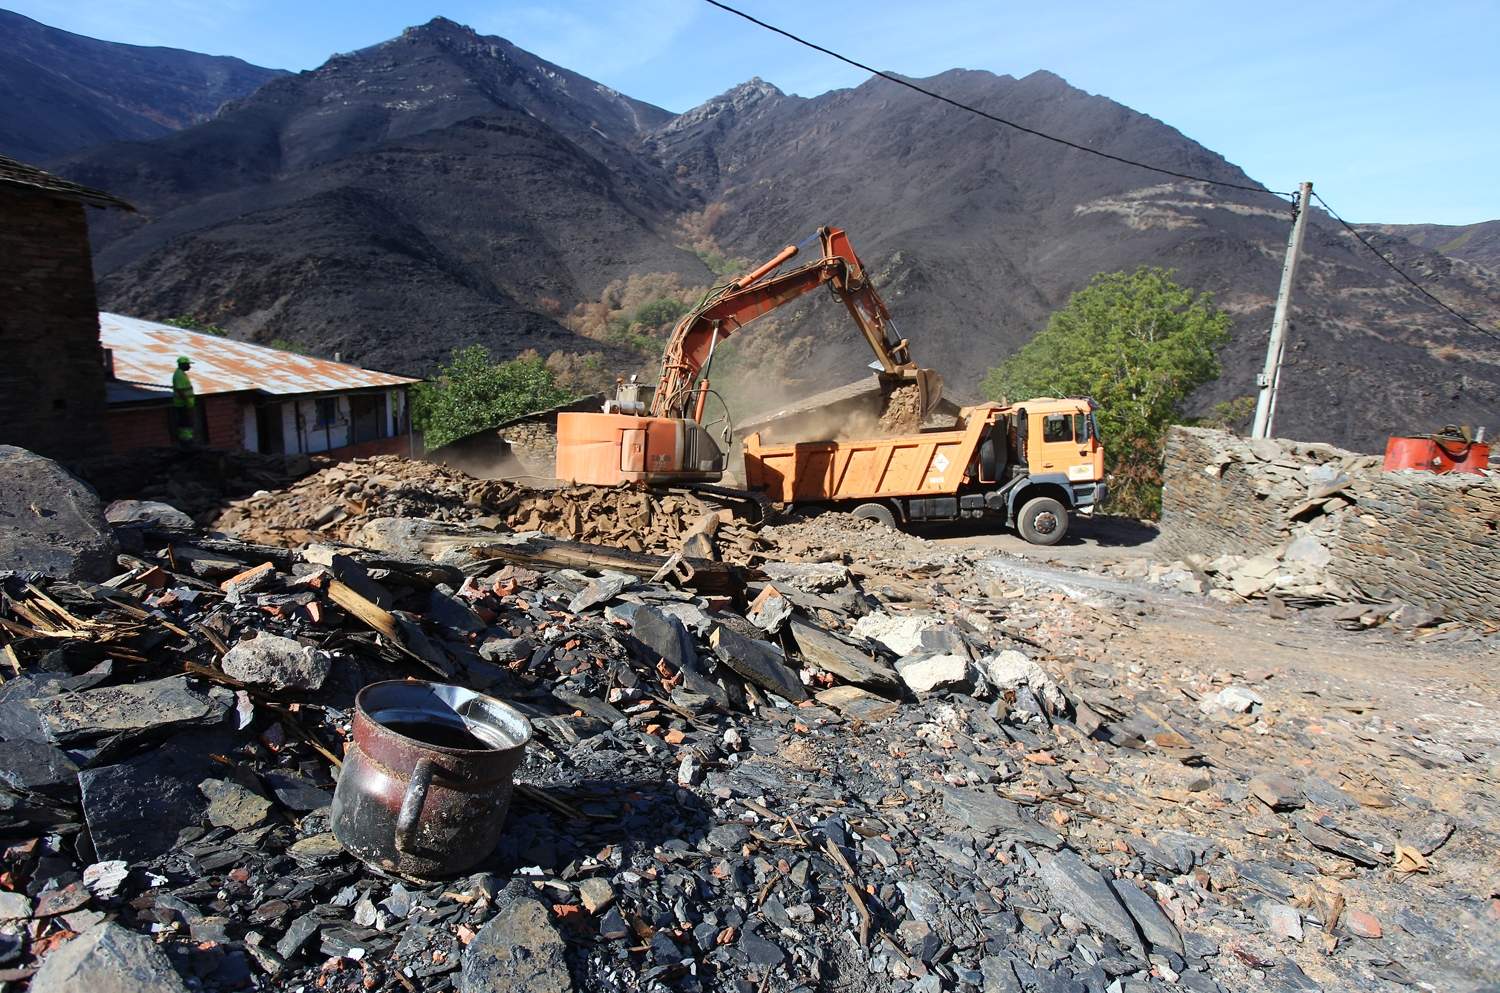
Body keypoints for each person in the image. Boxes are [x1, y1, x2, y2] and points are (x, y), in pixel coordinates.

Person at [172, 356, 196, 447]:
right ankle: (187, 440)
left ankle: (187, 439)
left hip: (185, 403)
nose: (189, 366)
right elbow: (180, 390)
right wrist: (187, 402)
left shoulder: (181, 373)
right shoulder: (179, 375)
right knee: (186, 422)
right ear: (183, 364)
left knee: (186, 422)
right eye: (188, 364)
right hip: (183, 404)